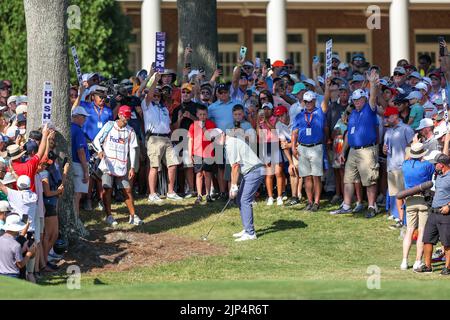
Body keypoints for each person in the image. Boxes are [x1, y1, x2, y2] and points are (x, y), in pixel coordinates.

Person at [331, 70, 380, 217]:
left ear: (364, 99)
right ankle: (346, 205)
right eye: (355, 100)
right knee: (348, 179)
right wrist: (342, 152)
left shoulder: (369, 109)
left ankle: (372, 206)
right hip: (353, 149)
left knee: (370, 180)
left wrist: (372, 83)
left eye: (359, 99)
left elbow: (373, 97)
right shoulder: (352, 114)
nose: (356, 102)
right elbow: (348, 134)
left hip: (367, 150)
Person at [210, 128, 265, 242]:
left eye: (217, 137)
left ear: (223, 134)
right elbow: (233, 168)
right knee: (240, 199)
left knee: (244, 200)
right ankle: (246, 228)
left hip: (254, 171)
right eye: (213, 139)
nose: (215, 140)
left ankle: (250, 233)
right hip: (251, 171)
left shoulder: (230, 144)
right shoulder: (229, 143)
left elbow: (235, 166)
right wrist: (233, 186)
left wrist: (234, 186)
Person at [93, 105, 142, 226]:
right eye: (125, 116)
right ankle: (109, 215)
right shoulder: (109, 126)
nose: (127, 119)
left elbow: (133, 149)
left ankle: (133, 216)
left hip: (122, 165)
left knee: (127, 190)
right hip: (108, 164)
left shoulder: (130, 131)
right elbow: (96, 140)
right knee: (107, 188)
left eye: (128, 117)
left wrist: (132, 167)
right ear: (119, 115)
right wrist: (99, 151)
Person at [137, 73, 182, 202]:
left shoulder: (164, 108)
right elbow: (149, 95)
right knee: (154, 166)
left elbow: (168, 125)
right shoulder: (146, 105)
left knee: (173, 164)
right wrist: (155, 80)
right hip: (154, 138)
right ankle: (152, 194)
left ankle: (171, 192)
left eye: (158, 95)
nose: (156, 96)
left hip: (166, 138)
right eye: (154, 95)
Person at [291, 88, 329, 211]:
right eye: (306, 102)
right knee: (306, 176)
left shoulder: (319, 113)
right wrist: (293, 147)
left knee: (316, 176)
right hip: (302, 147)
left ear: (314, 101)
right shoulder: (299, 116)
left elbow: (326, 102)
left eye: (310, 101)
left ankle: (317, 202)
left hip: (316, 147)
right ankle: (310, 201)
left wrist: (327, 87)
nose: (308, 104)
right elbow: (295, 133)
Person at [400, 143, 435, 271]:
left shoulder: (405, 165)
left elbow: (406, 159)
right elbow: (433, 170)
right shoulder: (426, 165)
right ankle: (417, 261)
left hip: (409, 200)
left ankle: (404, 261)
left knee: (409, 230)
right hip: (423, 199)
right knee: (421, 231)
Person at [416, 153, 450, 274]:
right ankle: (427, 266)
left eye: (436, 164)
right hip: (434, 213)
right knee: (427, 239)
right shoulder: (438, 176)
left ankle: (447, 268)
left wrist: (448, 206)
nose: (434, 166)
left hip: (446, 214)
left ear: (442, 165)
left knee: (447, 242)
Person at [383, 106, 415, 229]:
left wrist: (408, 163)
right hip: (391, 167)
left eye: (388, 116)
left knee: (405, 195)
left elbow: (413, 147)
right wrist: (384, 150)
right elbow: (385, 149)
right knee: (397, 195)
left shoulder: (406, 129)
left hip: (403, 167)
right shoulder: (388, 131)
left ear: (395, 116)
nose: (386, 119)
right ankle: (401, 220)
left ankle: (409, 220)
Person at [171, 83, 200, 198]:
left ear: (192, 93)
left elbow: (202, 123)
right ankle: (177, 189)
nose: (185, 94)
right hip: (179, 138)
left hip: (193, 139)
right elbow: (173, 128)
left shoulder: (196, 106)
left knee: (189, 165)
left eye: (188, 92)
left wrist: (191, 117)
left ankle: (192, 189)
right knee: (176, 164)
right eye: (183, 92)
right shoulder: (177, 108)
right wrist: (179, 119)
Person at [188, 105, 216, 204]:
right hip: (197, 152)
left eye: (204, 114)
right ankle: (199, 195)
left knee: (208, 173)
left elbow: (210, 137)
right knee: (199, 174)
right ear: (197, 115)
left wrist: (203, 127)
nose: (202, 116)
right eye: (200, 114)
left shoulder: (211, 124)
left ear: (207, 114)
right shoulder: (193, 125)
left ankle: (208, 194)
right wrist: (190, 153)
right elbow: (190, 140)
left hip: (208, 153)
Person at [0, 214, 36, 279]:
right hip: (12, 276)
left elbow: (9, 254)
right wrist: (29, 254)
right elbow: (20, 265)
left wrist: (22, 250)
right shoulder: (16, 245)